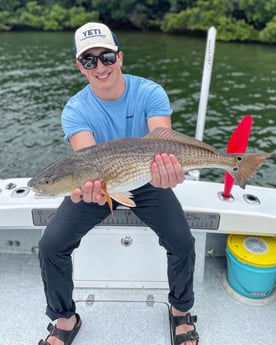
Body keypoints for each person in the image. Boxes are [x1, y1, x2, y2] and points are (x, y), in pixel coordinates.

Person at [38, 22, 199, 345]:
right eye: (89, 60)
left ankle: (180, 311)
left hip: (150, 176)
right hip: (98, 183)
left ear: (120, 57)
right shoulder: (75, 110)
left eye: (107, 57)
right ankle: (65, 317)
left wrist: (169, 168)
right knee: (50, 246)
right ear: (79, 67)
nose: (100, 66)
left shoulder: (150, 92)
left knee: (183, 243)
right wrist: (95, 188)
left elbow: (162, 140)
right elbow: (86, 162)